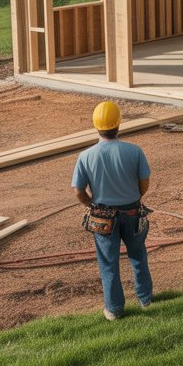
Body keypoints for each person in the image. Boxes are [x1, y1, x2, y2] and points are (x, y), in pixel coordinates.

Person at [72, 100, 153, 321]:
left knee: (108, 263)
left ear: (95, 125)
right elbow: (144, 183)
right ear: (119, 124)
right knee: (138, 255)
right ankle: (145, 300)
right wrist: (134, 198)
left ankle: (114, 309)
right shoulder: (134, 151)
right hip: (133, 213)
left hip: (103, 217)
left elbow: (78, 191)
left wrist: (92, 205)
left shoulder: (85, 156)